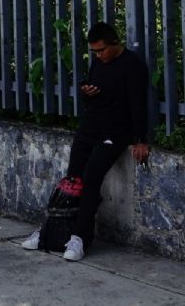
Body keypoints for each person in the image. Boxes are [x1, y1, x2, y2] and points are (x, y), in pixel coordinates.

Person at [22, 22, 151, 261]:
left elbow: (138, 104)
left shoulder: (132, 66)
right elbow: (92, 100)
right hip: (90, 128)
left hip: (115, 133)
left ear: (114, 43)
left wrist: (141, 140)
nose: (98, 56)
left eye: (101, 50)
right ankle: (49, 233)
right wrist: (87, 94)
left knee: (91, 177)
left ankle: (80, 238)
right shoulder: (98, 63)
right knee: (71, 182)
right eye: (94, 52)